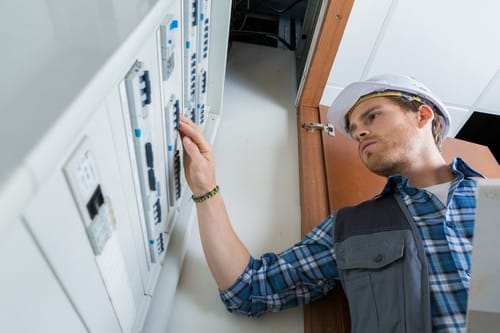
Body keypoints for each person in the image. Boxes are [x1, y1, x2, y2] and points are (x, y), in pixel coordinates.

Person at [178, 74, 483, 333]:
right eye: (353, 130)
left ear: (423, 115)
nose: (359, 132)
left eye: (372, 116)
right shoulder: (350, 228)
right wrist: (206, 189)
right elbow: (248, 289)